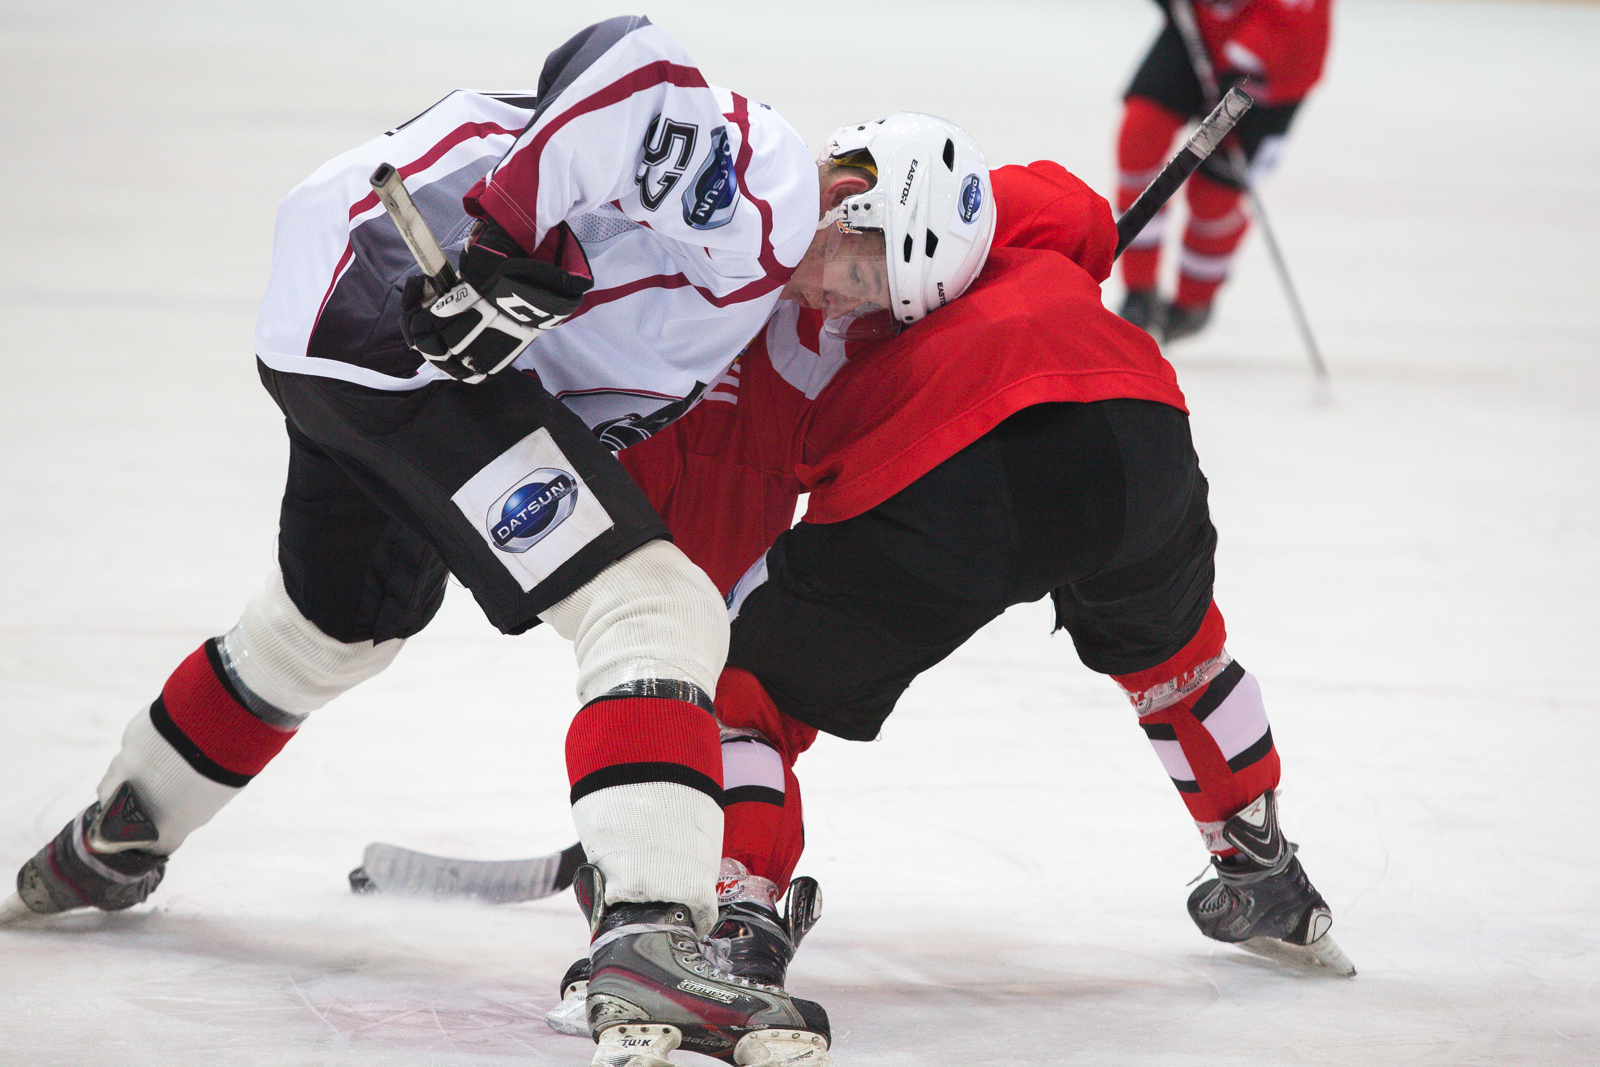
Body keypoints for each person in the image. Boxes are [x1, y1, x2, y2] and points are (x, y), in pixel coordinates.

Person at [2, 15, 997, 1067]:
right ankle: (653, 935)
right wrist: (499, 248)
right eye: (863, 275)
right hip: (396, 293)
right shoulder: (775, 189)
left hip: (337, 336)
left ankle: (124, 823)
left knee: (336, 622)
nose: (843, 305)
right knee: (652, 608)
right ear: (853, 202)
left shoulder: (738, 295)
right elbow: (625, 63)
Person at [576, 150, 1356, 1017]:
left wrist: (682, 769)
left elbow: (712, 568)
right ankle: (1264, 868)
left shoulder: (723, 307)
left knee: (745, 693)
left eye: (865, 276)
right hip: (1134, 418)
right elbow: (1081, 216)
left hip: (947, 469)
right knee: (1179, 661)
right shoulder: (974, 218)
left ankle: (740, 910)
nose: (834, 294)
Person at [1114, 0, 1332, 342]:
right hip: (1198, 33)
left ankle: (1192, 303)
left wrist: (1246, 58)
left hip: (1272, 66)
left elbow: (1296, 15)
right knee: (1141, 133)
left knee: (1212, 198)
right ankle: (1138, 293)